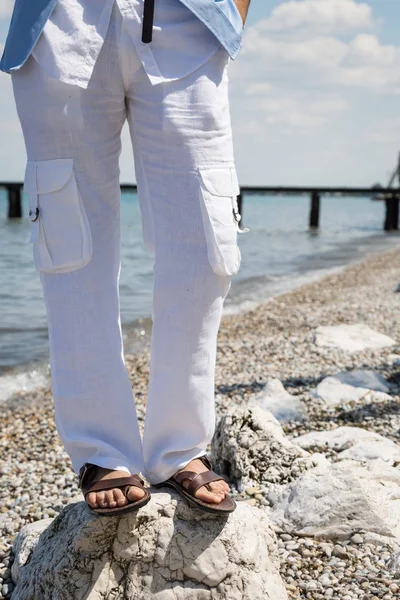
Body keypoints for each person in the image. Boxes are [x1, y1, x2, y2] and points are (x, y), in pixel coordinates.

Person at [1, 0, 251, 517]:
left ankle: (180, 446)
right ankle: (101, 449)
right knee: (70, 248)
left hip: (189, 19)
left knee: (206, 244)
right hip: (59, 21)